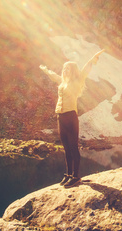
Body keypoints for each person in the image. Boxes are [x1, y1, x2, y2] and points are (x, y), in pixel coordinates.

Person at [40, 49, 105, 188]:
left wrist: (93, 58)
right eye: (64, 68)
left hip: (71, 116)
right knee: (66, 147)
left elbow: (85, 70)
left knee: (73, 147)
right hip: (61, 117)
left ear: (73, 70)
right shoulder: (62, 82)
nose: (65, 71)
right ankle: (68, 174)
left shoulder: (77, 80)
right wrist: (46, 70)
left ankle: (76, 177)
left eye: (68, 69)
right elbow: (55, 76)